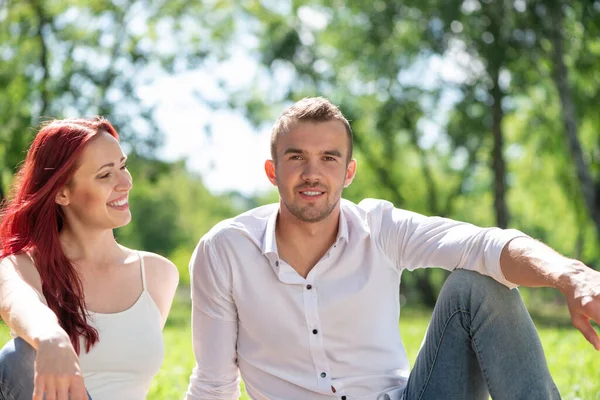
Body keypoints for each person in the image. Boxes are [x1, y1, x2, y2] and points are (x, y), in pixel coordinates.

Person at [186, 96, 600, 400]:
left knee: (478, 283)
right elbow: (214, 383)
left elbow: (482, 244)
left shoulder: (379, 227)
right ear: (272, 171)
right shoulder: (225, 250)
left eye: (328, 158)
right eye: (297, 158)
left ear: (348, 172)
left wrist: (570, 275)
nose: (312, 173)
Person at [0, 118, 179, 400]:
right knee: (19, 355)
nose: (126, 182)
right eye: (105, 175)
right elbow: (16, 303)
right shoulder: (21, 267)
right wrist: (51, 337)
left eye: (123, 166)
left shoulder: (157, 274)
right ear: (61, 192)